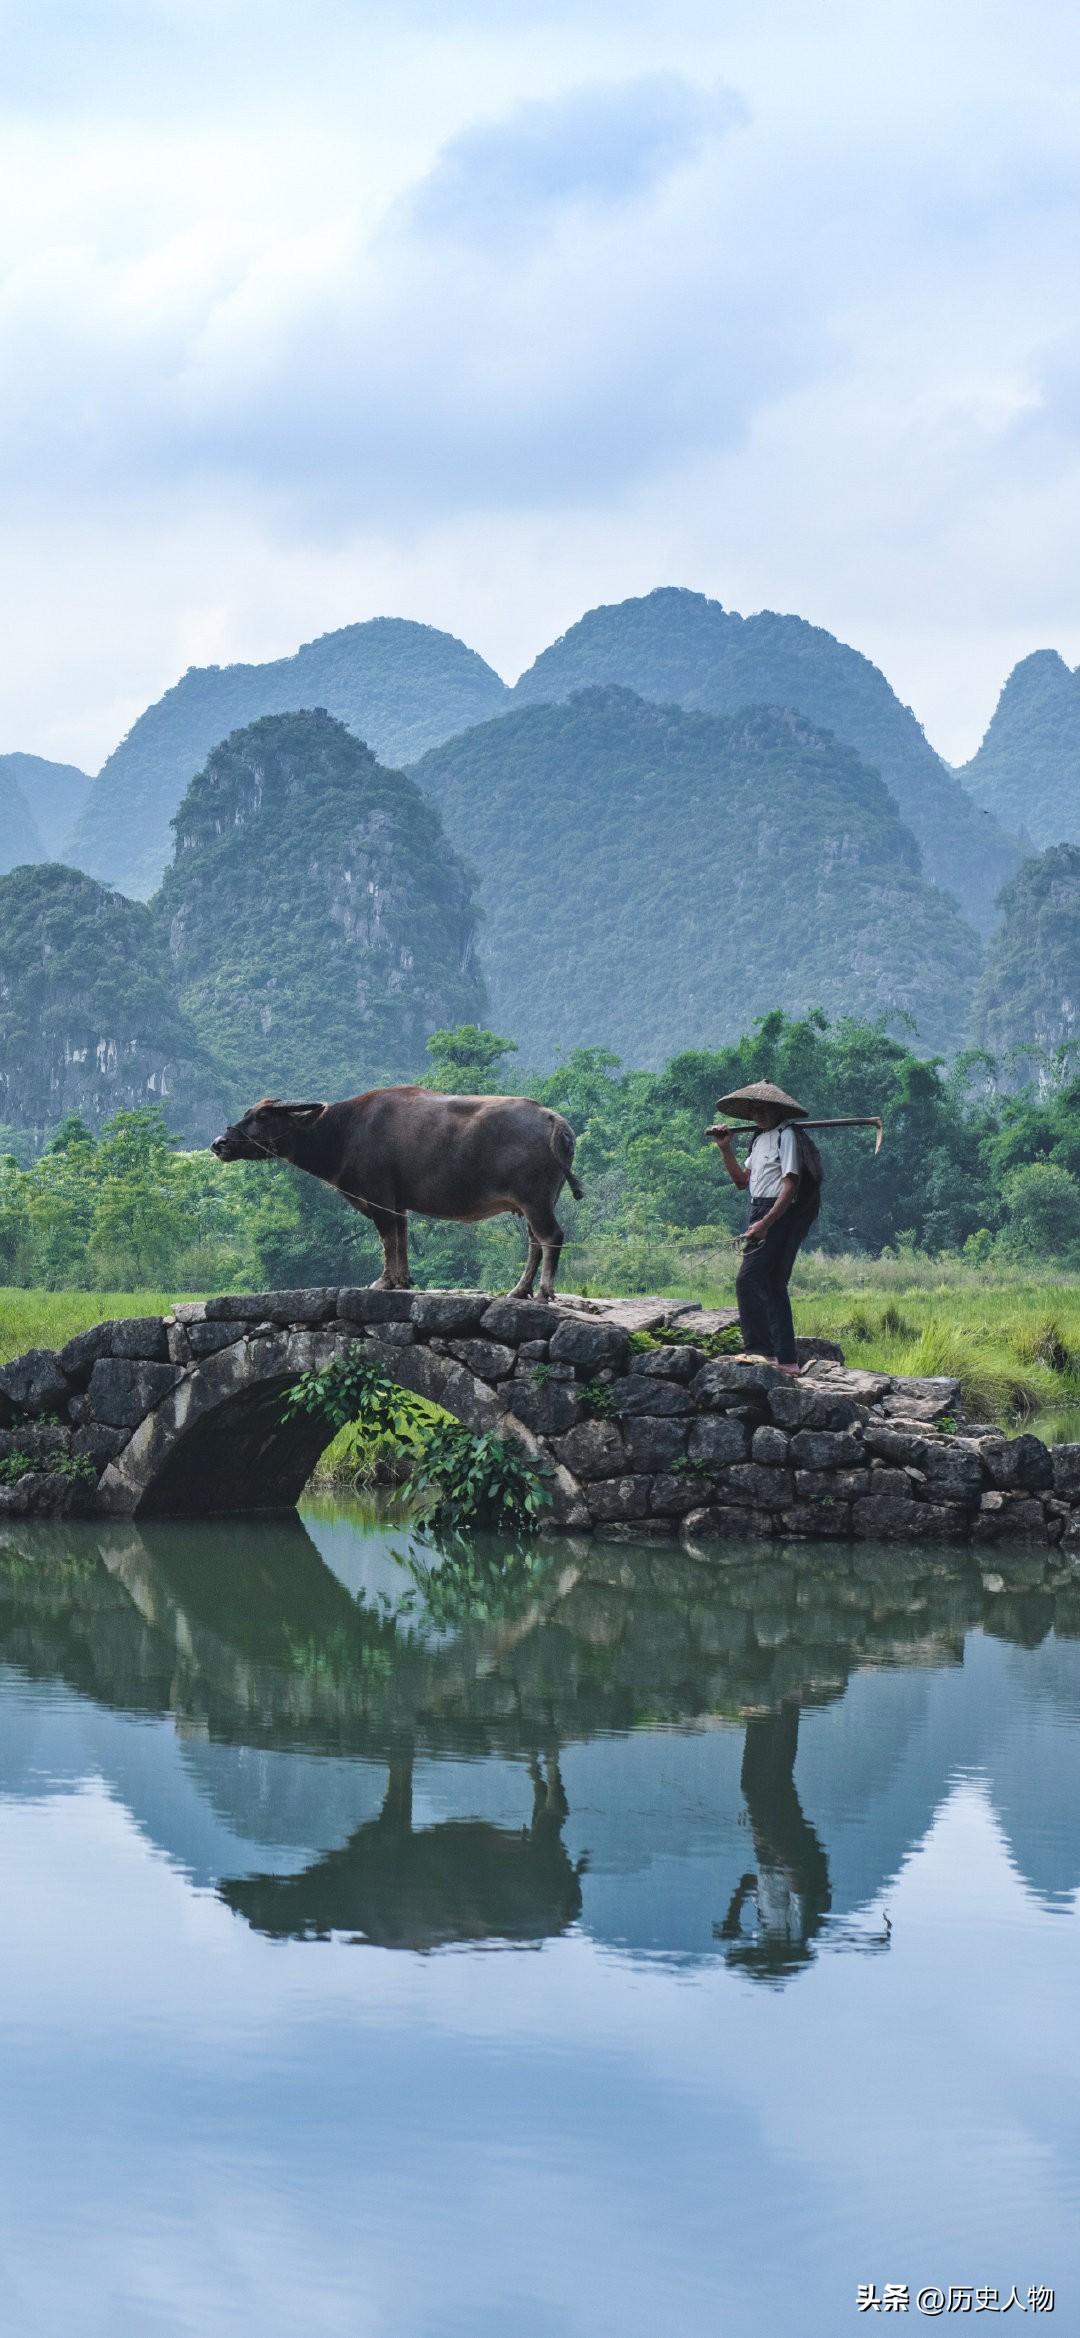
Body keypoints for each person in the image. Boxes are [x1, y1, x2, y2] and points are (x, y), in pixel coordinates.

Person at [709, 1079, 821, 1377]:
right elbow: (741, 1182)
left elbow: (790, 1185)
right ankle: (786, 1360)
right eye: (753, 1108)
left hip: (779, 1212)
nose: (757, 1113)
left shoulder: (787, 1137)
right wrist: (725, 1149)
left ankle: (759, 1350)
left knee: (747, 1279)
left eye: (763, 1108)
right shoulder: (759, 1139)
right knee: (772, 1285)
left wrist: (765, 1223)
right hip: (758, 1207)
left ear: (777, 1110)